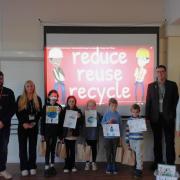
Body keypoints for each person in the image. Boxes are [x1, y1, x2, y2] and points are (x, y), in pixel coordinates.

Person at [145, 65, 179, 170]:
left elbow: (176, 102)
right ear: (155, 73)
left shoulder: (173, 85)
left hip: (168, 118)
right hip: (155, 118)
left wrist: (173, 115)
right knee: (157, 141)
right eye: (158, 72)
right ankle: (157, 162)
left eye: (162, 71)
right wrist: (147, 117)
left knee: (169, 141)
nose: (160, 73)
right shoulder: (151, 86)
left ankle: (170, 163)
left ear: (165, 72)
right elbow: (148, 102)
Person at [16, 80, 42, 176]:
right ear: (25, 87)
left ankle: (32, 166)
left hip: (33, 127)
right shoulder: (20, 98)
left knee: (32, 147)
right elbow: (17, 112)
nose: (30, 88)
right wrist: (23, 123)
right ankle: (23, 167)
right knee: (22, 148)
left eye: (31, 86)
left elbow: (39, 113)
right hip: (22, 127)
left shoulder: (38, 99)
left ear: (34, 87)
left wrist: (35, 122)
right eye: (28, 86)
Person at [41, 89, 62, 177]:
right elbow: (42, 120)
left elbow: (61, 121)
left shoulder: (59, 107)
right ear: (49, 97)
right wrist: (42, 133)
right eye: (52, 95)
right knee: (47, 149)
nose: (53, 97)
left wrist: (60, 113)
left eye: (55, 96)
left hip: (55, 131)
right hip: (47, 131)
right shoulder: (45, 106)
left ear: (57, 98)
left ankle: (52, 166)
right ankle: (46, 166)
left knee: (53, 148)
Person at [60, 96, 83, 173]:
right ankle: (66, 165)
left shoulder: (78, 110)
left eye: (73, 101)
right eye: (70, 101)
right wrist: (61, 136)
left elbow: (81, 123)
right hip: (66, 134)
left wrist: (79, 117)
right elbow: (61, 122)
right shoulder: (63, 110)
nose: (71, 102)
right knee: (66, 151)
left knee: (72, 151)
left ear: (75, 102)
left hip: (73, 134)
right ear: (67, 102)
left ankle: (73, 165)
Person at [0, 71, 15, 179]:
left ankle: (2, 170)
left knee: (3, 148)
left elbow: (12, 109)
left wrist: (3, 122)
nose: (0, 80)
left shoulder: (9, 92)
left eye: (1, 78)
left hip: (5, 126)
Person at [101, 98, 122, 175]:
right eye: (112, 105)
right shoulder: (106, 114)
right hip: (107, 137)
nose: (114, 107)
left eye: (115, 106)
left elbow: (120, 127)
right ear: (109, 105)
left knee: (114, 152)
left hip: (115, 137)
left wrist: (120, 137)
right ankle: (108, 166)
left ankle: (114, 165)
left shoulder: (118, 115)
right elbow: (102, 123)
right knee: (108, 152)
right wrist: (108, 122)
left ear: (117, 106)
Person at [125, 104, 144, 177]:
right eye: (133, 112)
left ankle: (139, 169)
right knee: (134, 154)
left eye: (136, 112)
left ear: (139, 112)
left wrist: (142, 125)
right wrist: (127, 140)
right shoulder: (129, 120)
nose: (135, 114)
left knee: (139, 154)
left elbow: (143, 130)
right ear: (131, 112)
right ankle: (136, 166)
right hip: (131, 140)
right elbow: (127, 131)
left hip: (139, 140)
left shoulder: (141, 119)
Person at [84, 99, 102, 171]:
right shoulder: (84, 114)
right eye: (89, 106)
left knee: (94, 149)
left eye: (92, 106)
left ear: (95, 106)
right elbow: (80, 124)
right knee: (87, 150)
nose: (91, 107)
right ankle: (87, 163)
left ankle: (94, 162)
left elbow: (101, 124)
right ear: (87, 106)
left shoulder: (98, 114)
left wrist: (98, 119)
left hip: (94, 135)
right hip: (87, 135)